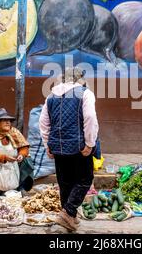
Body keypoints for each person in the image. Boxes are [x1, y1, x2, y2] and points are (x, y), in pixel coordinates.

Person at [39, 67, 99, 232]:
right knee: (85, 179)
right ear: (79, 79)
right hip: (78, 146)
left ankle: (68, 219)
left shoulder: (51, 96)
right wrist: (90, 143)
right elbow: (90, 118)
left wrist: (47, 145)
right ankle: (67, 213)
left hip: (57, 146)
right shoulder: (85, 93)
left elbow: (43, 123)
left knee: (65, 182)